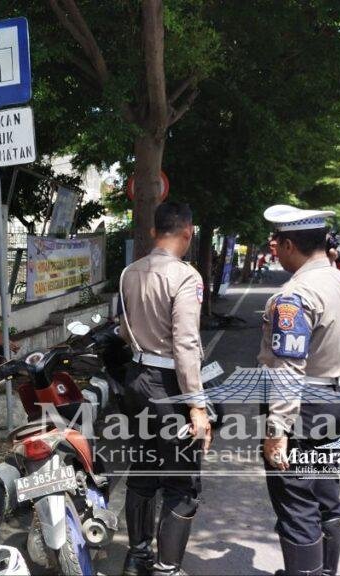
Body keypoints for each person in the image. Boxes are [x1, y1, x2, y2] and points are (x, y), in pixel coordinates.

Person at [258, 205, 340, 576]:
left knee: (296, 502)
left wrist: (277, 431)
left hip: (301, 407)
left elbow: (288, 369)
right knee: (325, 496)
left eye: (276, 242)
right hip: (333, 397)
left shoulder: (296, 295)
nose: (274, 248)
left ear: (289, 244)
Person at [118, 201, 212, 576]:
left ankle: (136, 557)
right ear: (187, 233)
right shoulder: (186, 277)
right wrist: (198, 407)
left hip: (137, 382)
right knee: (183, 482)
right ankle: (166, 568)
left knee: (142, 471)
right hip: (170, 387)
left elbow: (124, 331)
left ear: (157, 231)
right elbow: (186, 344)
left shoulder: (129, 272)